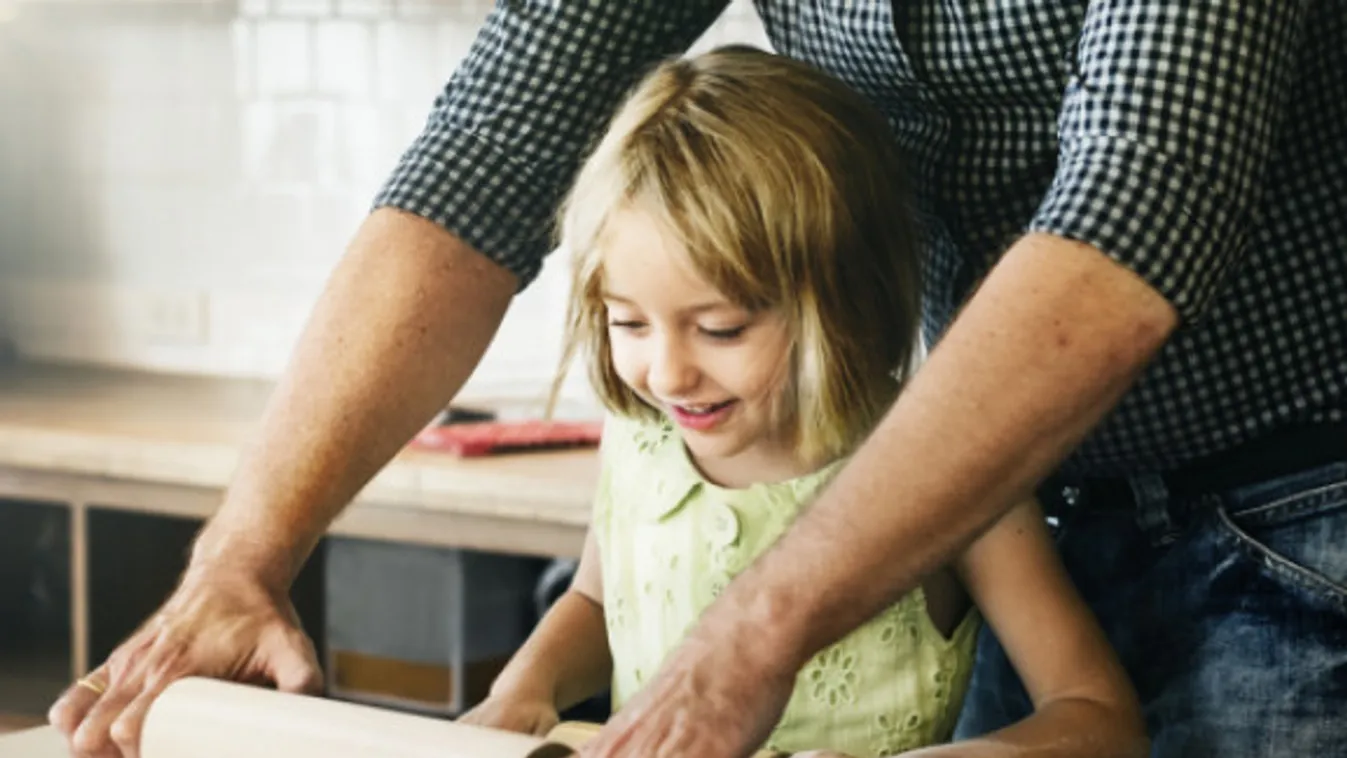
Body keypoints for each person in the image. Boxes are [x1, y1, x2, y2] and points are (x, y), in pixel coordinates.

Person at [50, 3, 1346, 757]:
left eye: (717, 322)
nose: (665, 364)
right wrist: (243, 549)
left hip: (1288, 498)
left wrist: (761, 619)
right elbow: (488, 148)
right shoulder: (650, 458)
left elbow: (1143, 184)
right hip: (981, 480)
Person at [455, 47, 1144, 758]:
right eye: (627, 321)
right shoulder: (638, 439)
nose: (666, 375)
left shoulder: (951, 474)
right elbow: (597, 606)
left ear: (848, 302)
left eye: (720, 328)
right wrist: (523, 689)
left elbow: (1097, 718)